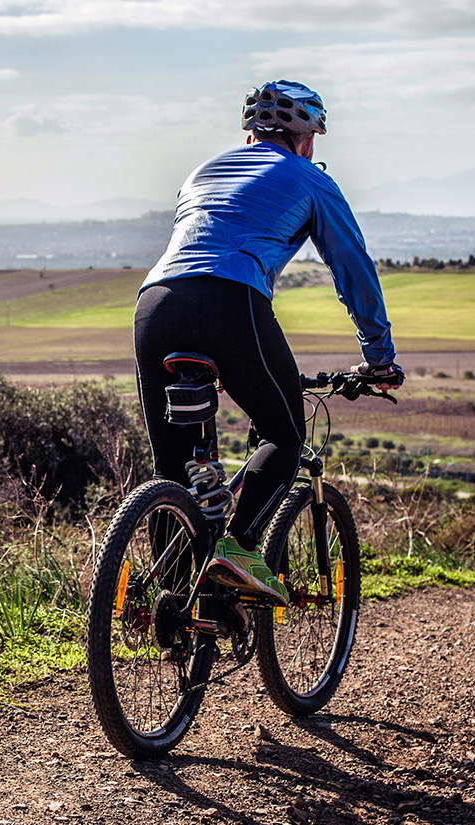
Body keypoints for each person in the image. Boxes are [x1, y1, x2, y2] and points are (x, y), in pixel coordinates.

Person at [134, 80, 402, 607]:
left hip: (155, 304)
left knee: (174, 470)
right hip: (231, 303)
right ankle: (239, 549)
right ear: (306, 138)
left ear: (251, 132)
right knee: (283, 433)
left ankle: (169, 605)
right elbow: (352, 268)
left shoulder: (203, 171)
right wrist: (379, 357)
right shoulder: (309, 177)